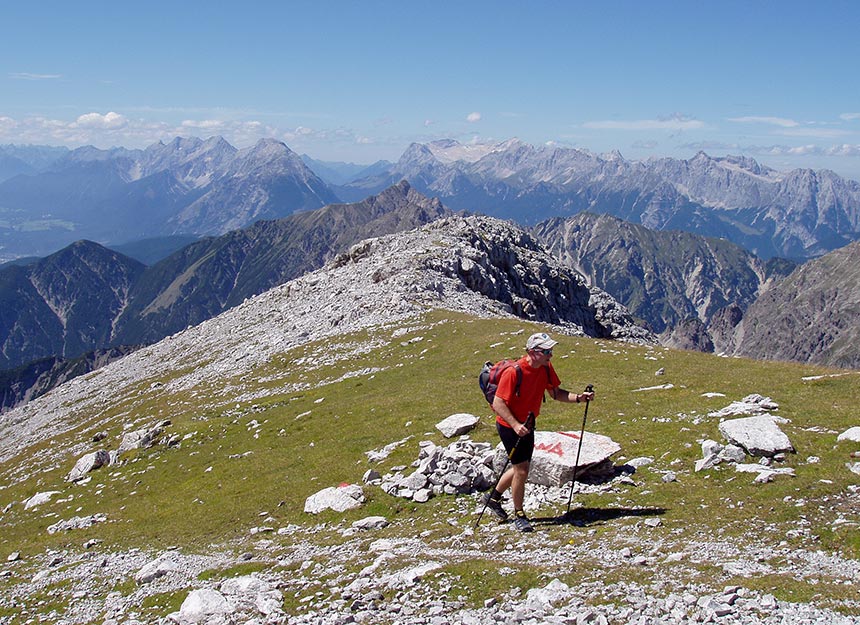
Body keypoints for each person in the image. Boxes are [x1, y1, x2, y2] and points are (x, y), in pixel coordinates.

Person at [483, 332, 595, 532]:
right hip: (510, 427)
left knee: (522, 466)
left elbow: (555, 393)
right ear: (533, 352)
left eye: (551, 350)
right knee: (522, 469)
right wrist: (516, 425)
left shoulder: (545, 368)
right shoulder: (513, 372)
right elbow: (498, 403)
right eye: (546, 351)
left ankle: (493, 498)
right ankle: (519, 514)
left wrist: (579, 398)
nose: (550, 355)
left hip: (528, 424)